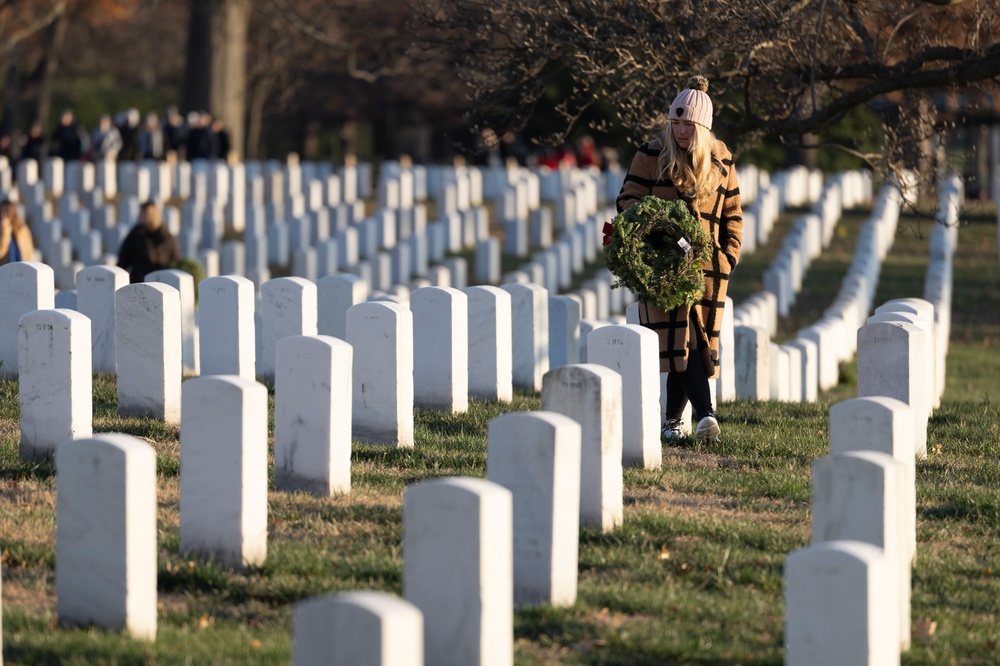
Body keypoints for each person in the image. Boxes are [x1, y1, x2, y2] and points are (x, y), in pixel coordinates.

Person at [615, 75, 743, 444]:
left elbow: (733, 214)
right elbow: (627, 199)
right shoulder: (651, 154)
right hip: (662, 265)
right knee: (681, 338)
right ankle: (705, 415)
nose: (681, 131)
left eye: (689, 124)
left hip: (707, 268)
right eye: (676, 122)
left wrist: (728, 256)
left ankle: (672, 423)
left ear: (702, 127)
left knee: (690, 345)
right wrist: (657, 227)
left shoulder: (722, 161)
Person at [117, 200, 180, 283]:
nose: (139, 216)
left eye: (142, 214)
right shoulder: (134, 235)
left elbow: (175, 262)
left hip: (161, 282)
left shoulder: (167, 238)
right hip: (139, 282)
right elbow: (123, 261)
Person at [0, 199, 35, 265]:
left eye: (6, 211)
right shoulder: (2, 230)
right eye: (2, 211)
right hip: (5, 269)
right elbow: (1, 251)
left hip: (22, 266)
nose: (4, 214)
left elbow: (29, 250)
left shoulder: (22, 228)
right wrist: (5, 230)